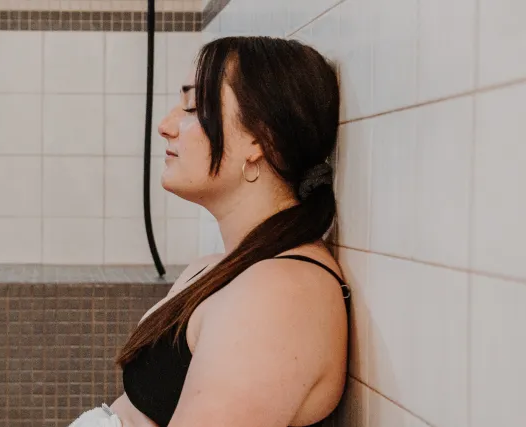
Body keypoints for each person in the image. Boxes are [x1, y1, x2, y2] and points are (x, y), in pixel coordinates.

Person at [70, 36, 350, 427]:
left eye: (193, 107)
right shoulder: (223, 269)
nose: (166, 126)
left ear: (259, 139)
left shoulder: (279, 297)